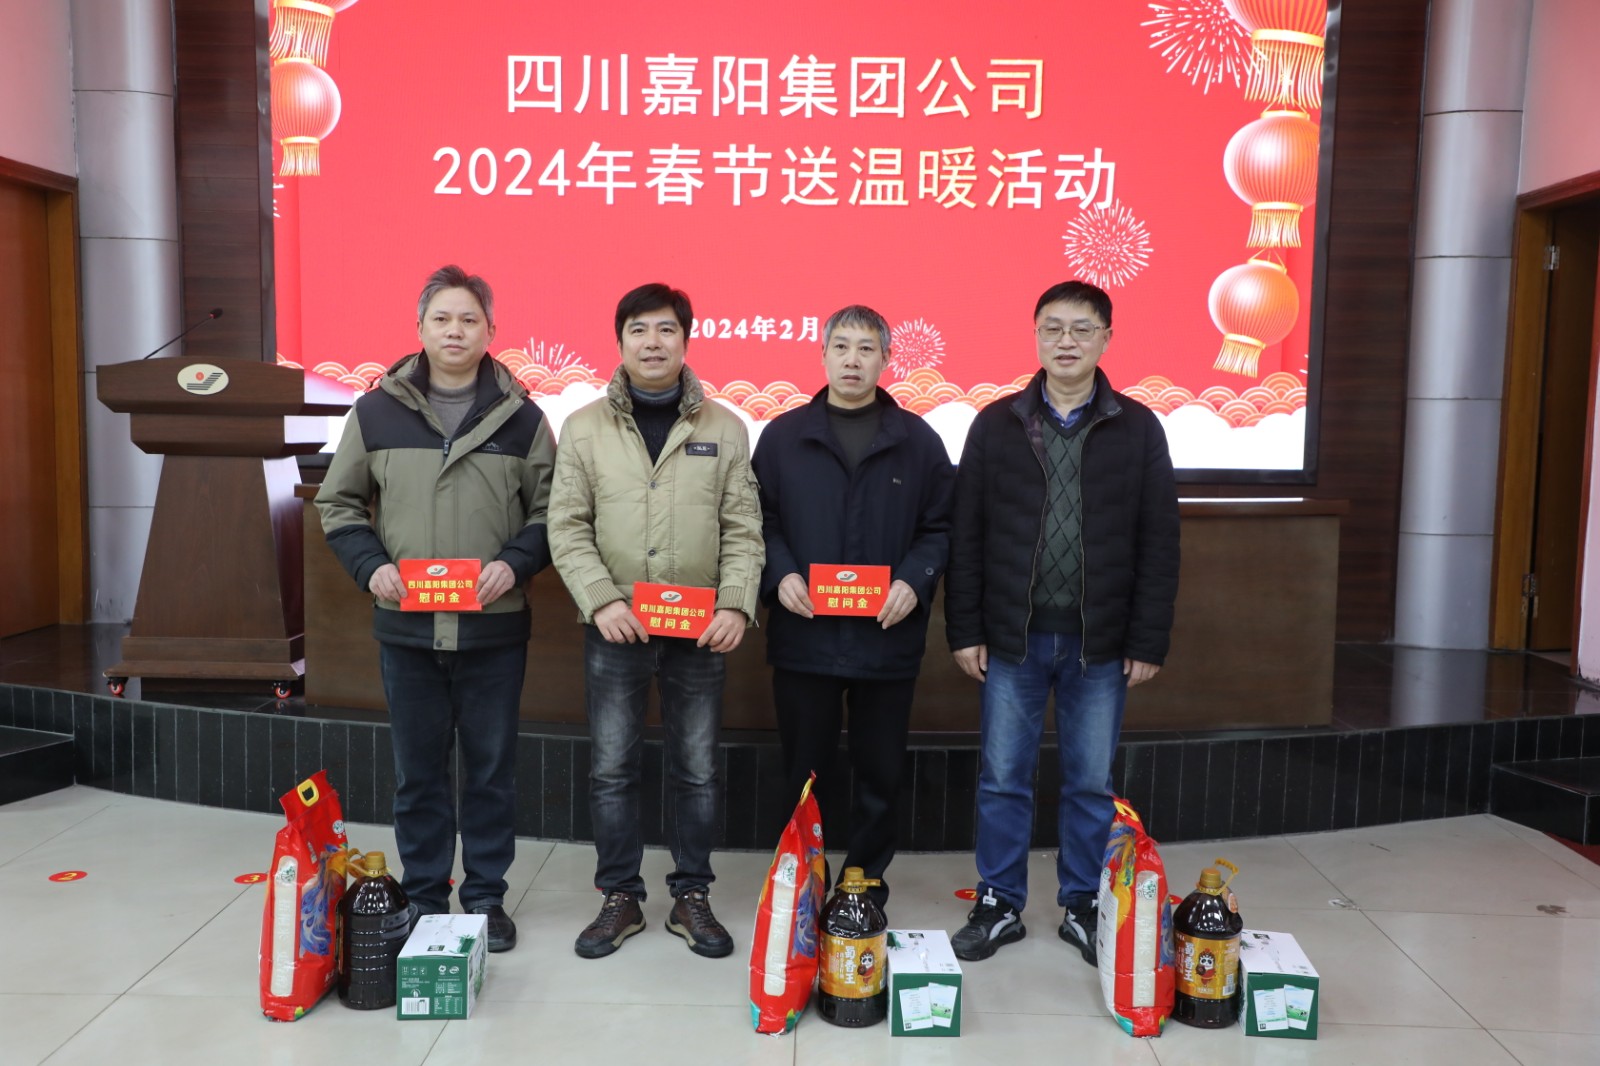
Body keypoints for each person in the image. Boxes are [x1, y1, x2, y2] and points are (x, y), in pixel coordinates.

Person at [316, 265, 555, 953]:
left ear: (490, 330)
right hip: (407, 629)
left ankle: (484, 896)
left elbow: (553, 512)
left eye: (469, 320)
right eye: (442, 319)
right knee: (417, 773)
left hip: (493, 629)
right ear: (419, 328)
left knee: (490, 772)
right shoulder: (375, 413)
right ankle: (424, 893)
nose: (455, 331)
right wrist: (373, 567)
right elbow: (338, 503)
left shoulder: (524, 418)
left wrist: (515, 562)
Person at [944, 280, 1179, 964]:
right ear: (1036, 336)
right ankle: (999, 902)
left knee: (1089, 782)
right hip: (1012, 639)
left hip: (1098, 643)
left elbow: (1160, 541)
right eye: (1052, 328)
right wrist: (965, 629)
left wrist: (1146, 639)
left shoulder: (1138, 427)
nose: (1066, 341)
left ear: (1107, 338)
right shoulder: (996, 423)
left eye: (1081, 329)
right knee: (1002, 777)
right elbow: (966, 534)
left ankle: (1083, 903)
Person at [548, 282, 764, 960]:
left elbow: (743, 526)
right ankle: (620, 896)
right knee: (612, 769)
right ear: (619, 341)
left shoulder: (724, 427)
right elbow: (566, 524)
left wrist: (735, 602)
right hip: (615, 626)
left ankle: (691, 894)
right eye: (638, 330)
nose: (652, 342)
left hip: (700, 631)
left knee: (696, 770)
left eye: (666, 329)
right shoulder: (583, 427)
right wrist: (601, 599)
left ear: (685, 340)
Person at [750, 304, 954, 911]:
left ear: (886, 359)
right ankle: (802, 878)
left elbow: (940, 528)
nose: (852, 360)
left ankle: (864, 883)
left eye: (866, 349)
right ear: (822, 355)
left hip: (886, 638)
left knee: (879, 773)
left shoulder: (918, 442)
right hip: (805, 635)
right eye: (840, 347)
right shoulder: (783, 437)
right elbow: (758, 520)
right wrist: (780, 572)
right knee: (802, 771)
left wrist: (914, 580)